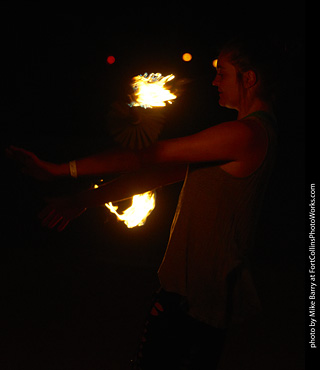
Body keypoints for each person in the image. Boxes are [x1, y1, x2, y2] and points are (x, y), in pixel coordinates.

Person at [7, 35, 279, 369]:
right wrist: (82, 200)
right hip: (186, 294)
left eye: (222, 72)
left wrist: (59, 169)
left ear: (249, 78)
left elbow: (146, 156)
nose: (214, 81)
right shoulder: (240, 137)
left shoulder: (244, 135)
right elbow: (153, 174)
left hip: (197, 301)